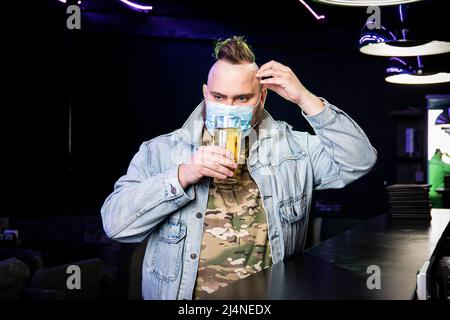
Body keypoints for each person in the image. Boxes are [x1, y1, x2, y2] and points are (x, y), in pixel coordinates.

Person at [100, 36, 378, 300]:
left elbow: (360, 160)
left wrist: (305, 98)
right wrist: (183, 174)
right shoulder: (160, 152)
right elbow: (115, 225)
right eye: (219, 97)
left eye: (242, 99)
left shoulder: (294, 150)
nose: (229, 107)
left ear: (262, 97)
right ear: (205, 93)